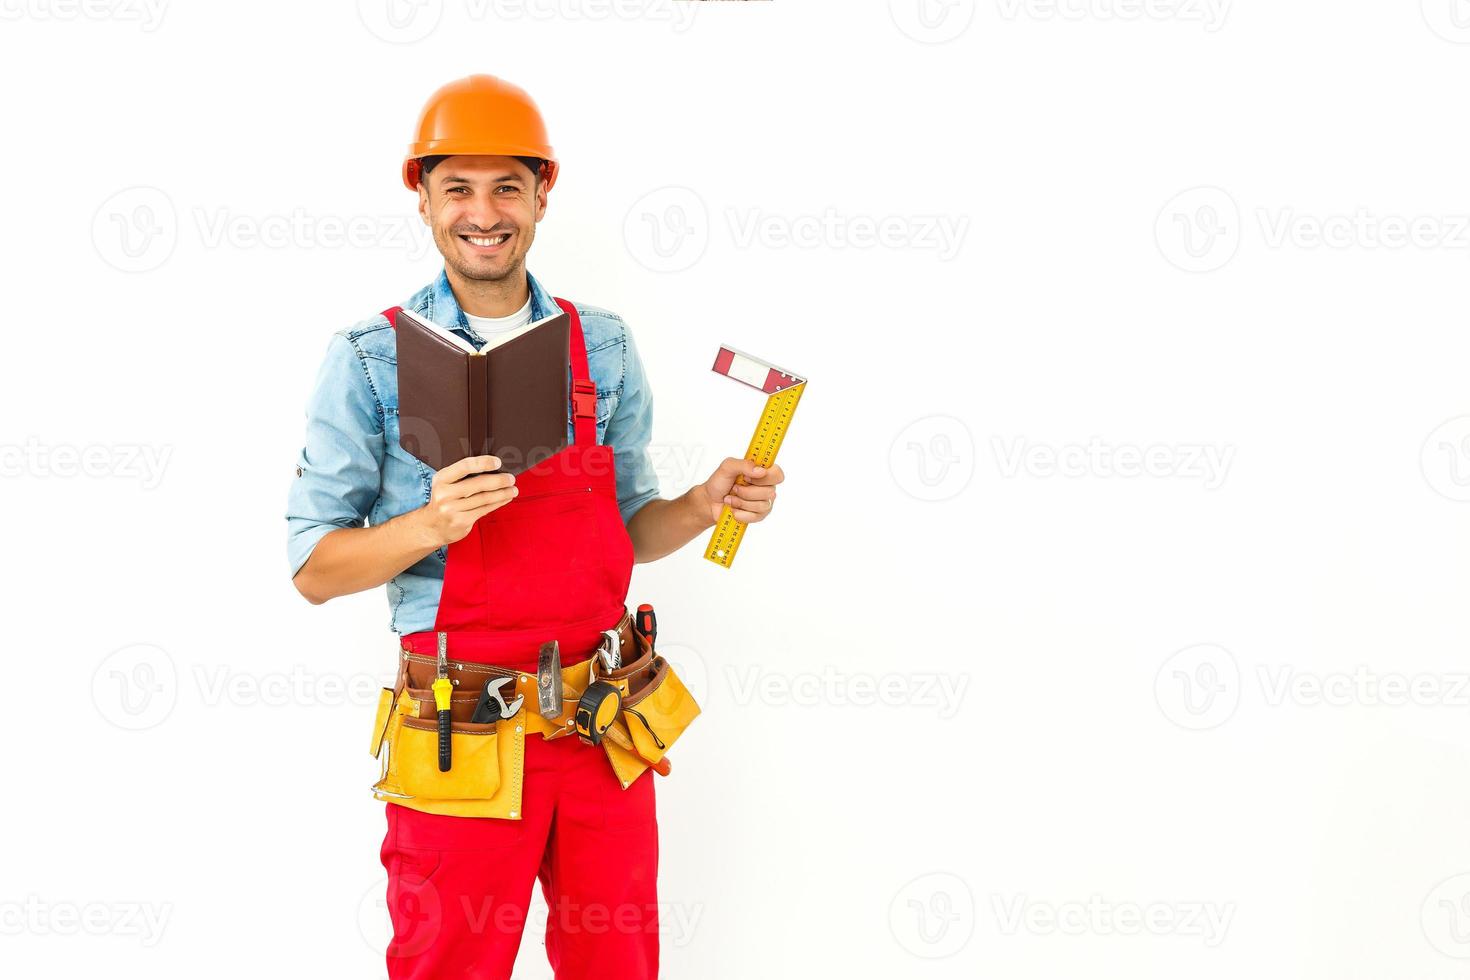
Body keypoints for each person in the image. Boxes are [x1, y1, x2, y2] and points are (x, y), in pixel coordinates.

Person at [284, 74, 786, 979]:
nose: (485, 212)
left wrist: (702, 506)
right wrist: (430, 523)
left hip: (602, 730)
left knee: (618, 964)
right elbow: (316, 569)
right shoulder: (369, 357)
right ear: (425, 200)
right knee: (450, 964)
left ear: (542, 193)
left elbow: (626, 531)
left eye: (507, 186)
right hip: (462, 733)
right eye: (459, 189)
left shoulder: (604, 345)